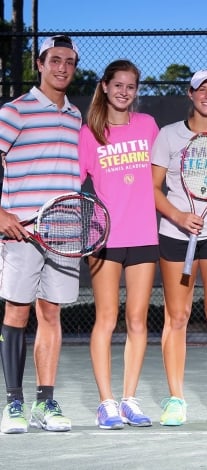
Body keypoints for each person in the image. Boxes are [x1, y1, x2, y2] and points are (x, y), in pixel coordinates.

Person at [151, 70, 207, 427]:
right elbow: (154, 188)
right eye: (201, 89)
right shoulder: (168, 135)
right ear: (190, 94)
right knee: (177, 317)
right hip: (176, 234)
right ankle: (176, 399)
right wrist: (178, 215)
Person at [0, 35, 81, 434]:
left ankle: (44, 404)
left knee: (51, 314)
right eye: (55, 60)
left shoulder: (76, 116)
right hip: (22, 234)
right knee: (16, 312)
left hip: (65, 234)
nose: (62, 67)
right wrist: (0, 213)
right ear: (40, 63)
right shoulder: (15, 111)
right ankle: (13, 404)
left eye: (69, 62)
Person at [79, 60, 159, 430]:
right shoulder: (90, 132)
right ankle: (106, 403)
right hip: (105, 239)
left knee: (138, 320)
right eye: (118, 85)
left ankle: (129, 399)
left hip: (144, 236)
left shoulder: (148, 127)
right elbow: (71, 183)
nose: (124, 92)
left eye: (131, 86)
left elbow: (169, 166)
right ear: (105, 87)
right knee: (106, 319)